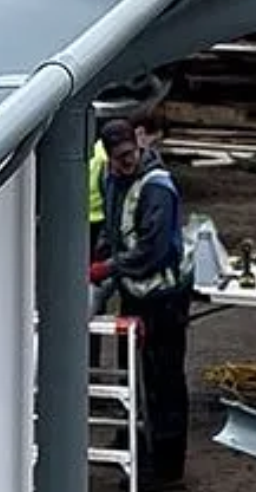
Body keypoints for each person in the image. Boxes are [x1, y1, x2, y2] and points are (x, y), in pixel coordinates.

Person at [90, 117, 193, 491]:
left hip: (164, 298)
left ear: (138, 143)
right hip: (136, 294)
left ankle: (165, 467)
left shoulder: (157, 187)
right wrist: (102, 255)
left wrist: (107, 267)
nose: (127, 161)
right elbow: (114, 228)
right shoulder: (111, 178)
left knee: (163, 381)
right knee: (135, 373)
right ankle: (134, 443)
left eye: (130, 154)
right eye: (119, 158)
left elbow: (154, 249)